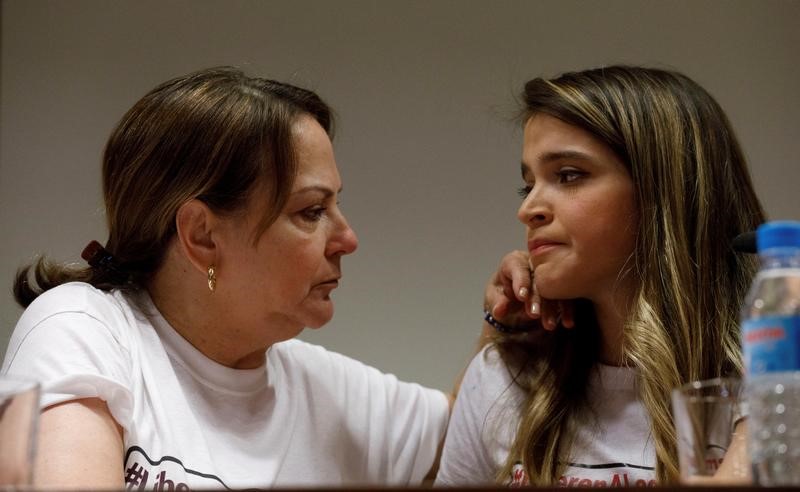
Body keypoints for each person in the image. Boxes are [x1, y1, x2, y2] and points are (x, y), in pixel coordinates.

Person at [1, 67, 529, 489]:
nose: (348, 240)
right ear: (203, 235)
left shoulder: (320, 387)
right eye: (310, 212)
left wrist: (507, 325)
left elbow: (466, 438)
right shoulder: (80, 326)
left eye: (335, 206)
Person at [435, 65, 765, 487]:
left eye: (569, 175)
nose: (528, 208)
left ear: (663, 194)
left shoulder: (771, 386)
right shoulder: (504, 376)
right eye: (528, 185)